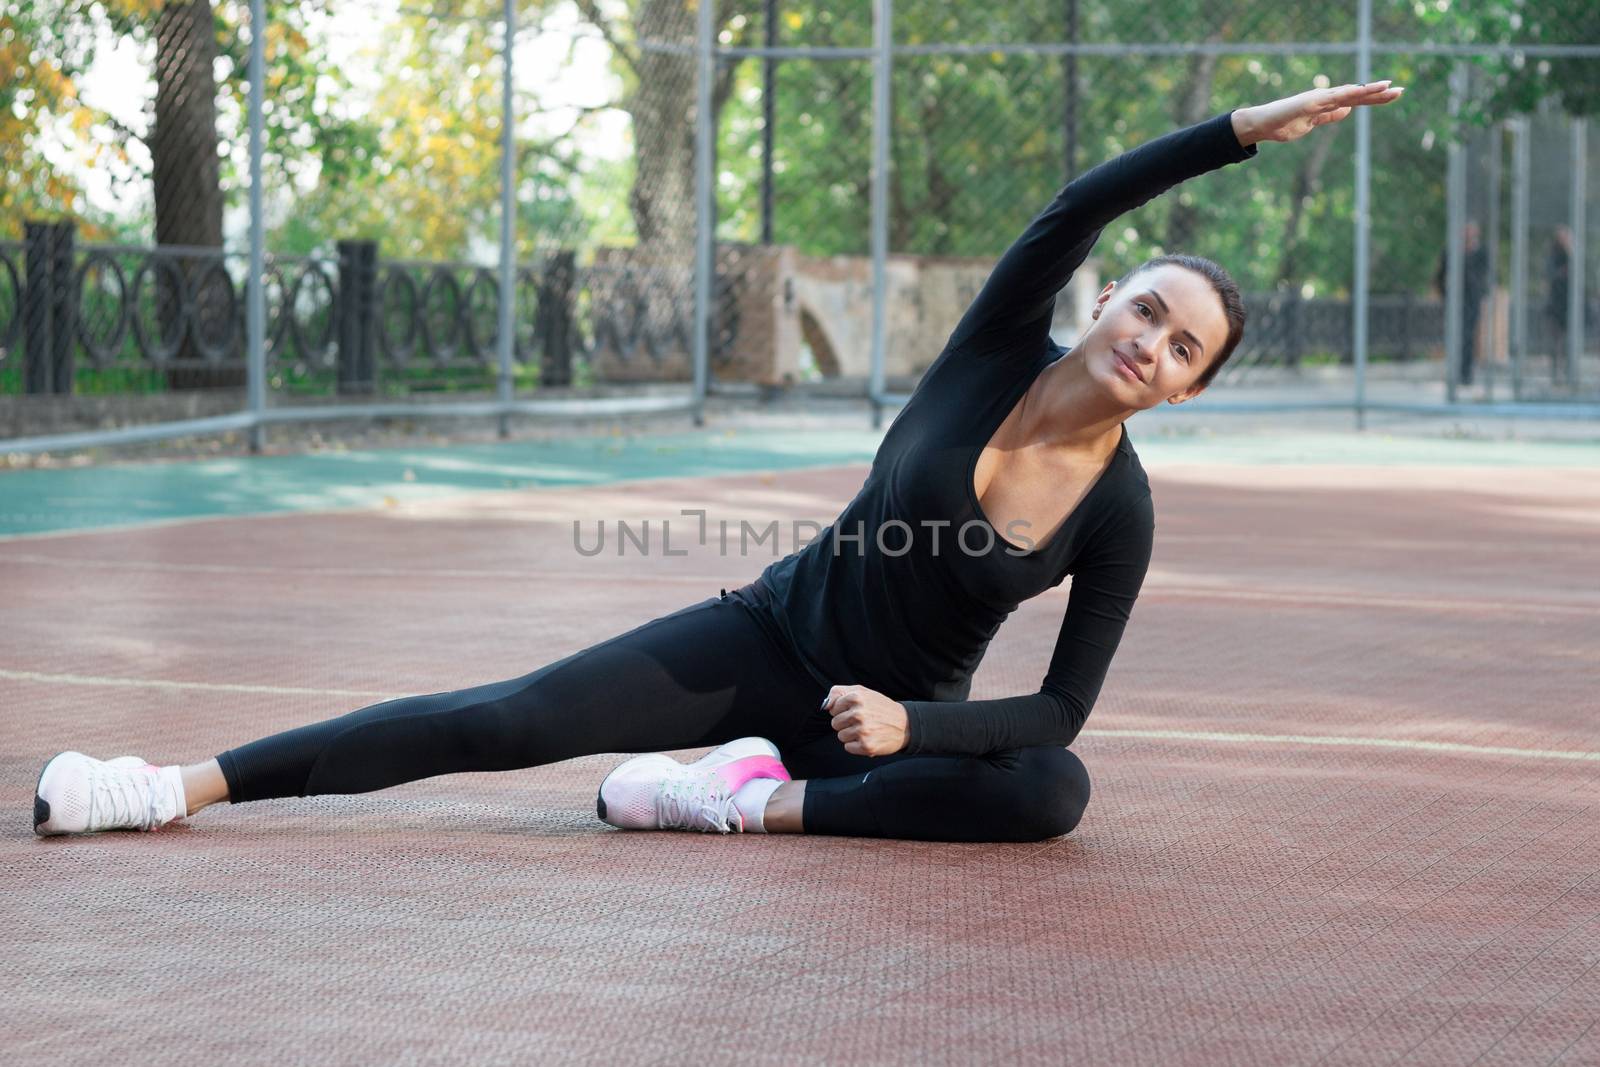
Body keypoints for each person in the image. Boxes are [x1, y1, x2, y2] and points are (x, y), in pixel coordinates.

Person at [32, 80, 1404, 844]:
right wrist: (1233, 135)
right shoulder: (997, 341)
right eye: (1146, 308)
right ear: (1108, 302)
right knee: (503, 718)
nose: (1148, 342)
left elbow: (1058, 710)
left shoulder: (1120, 514)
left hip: (877, 732)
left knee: (1053, 794)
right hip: (762, 639)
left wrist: (915, 725)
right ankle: (171, 783)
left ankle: (753, 799)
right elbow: (1076, 201)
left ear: (1184, 392)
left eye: (1181, 348)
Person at [1434, 221, 1490, 386]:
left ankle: (1466, 373)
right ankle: (1455, 371)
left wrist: (1481, 293)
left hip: (1472, 299)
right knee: (1456, 334)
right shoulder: (1451, 251)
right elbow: (1440, 276)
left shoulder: (1481, 252)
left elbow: (1485, 275)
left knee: (1468, 335)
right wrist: (1445, 294)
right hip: (1455, 299)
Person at [1546, 225, 1572, 386]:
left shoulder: (1573, 254)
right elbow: (1551, 275)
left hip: (1571, 303)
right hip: (1556, 303)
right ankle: (1556, 373)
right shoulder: (1553, 255)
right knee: (1556, 339)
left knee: (1570, 340)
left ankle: (1569, 373)